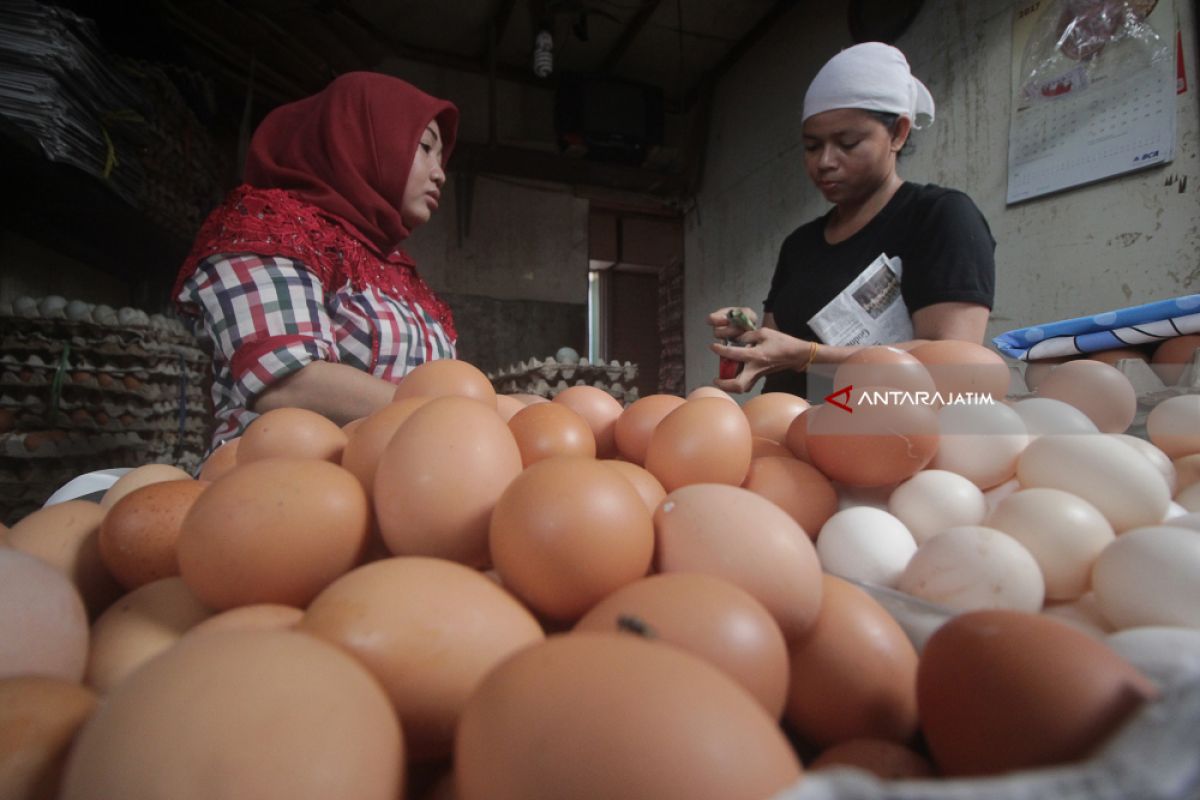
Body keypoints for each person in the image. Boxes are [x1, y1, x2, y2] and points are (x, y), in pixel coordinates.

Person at [173, 72, 459, 448]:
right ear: (364, 138)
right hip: (274, 487)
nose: (440, 174)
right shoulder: (273, 228)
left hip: (398, 487)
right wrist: (457, 416)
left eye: (442, 158)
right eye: (424, 147)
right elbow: (288, 381)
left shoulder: (403, 277)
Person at [709, 42, 995, 399]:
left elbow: (953, 365)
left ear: (898, 133)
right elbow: (775, 347)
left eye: (847, 142)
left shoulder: (938, 217)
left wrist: (809, 357)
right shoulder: (799, 245)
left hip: (880, 436)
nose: (825, 161)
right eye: (812, 146)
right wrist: (746, 334)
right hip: (789, 439)